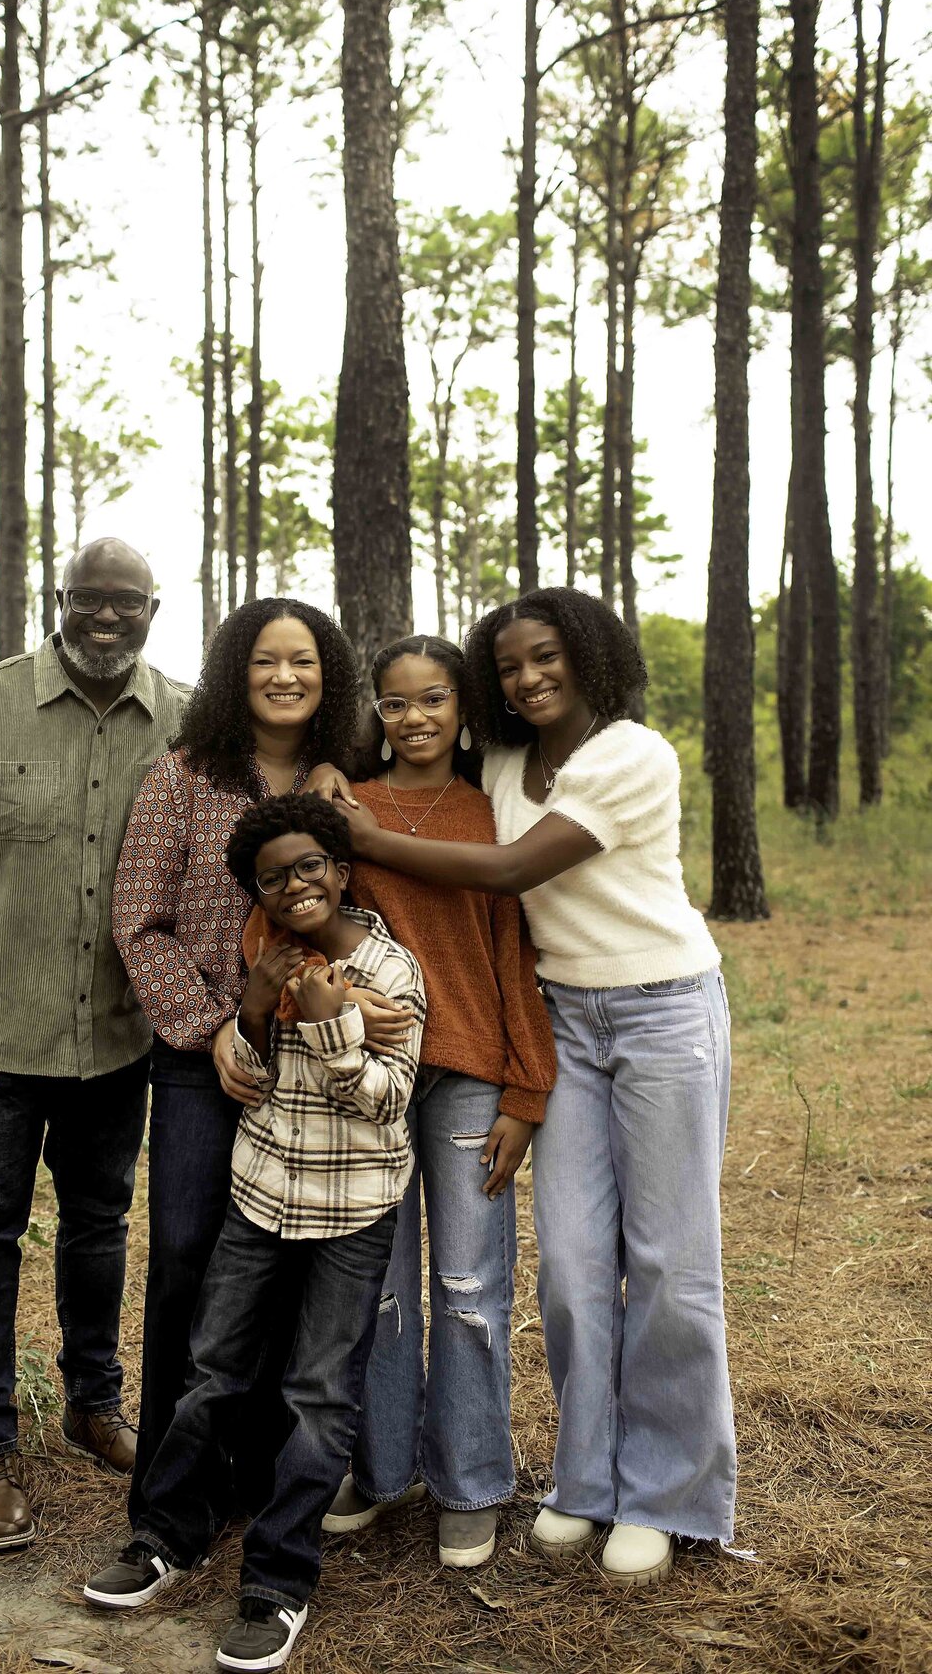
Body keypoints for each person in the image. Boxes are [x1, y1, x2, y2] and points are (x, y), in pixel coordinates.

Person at [319, 590, 735, 1587]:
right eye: (508, 666)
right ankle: (587, 1484)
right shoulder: (505, 763)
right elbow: (411, 750)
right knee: (574, 1270)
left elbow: (506, 870)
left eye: (545, 657)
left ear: (588, 656)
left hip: (662, 1008)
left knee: (670, 1262)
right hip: (567, 1021)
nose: (527, 678)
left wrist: (363, 835)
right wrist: (341, 767)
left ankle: (668, 1495)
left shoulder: (632, 754)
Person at [0, 538, 187, 1550]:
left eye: (126, 603)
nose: (106, 617)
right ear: (60, 600)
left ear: (154, 608)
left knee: (99, 1230)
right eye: (88, 600)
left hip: (119, 1036)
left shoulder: (184, 721)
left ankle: (95, 1404)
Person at [86, 794, 426, 1672]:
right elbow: (248, 1071)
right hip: (262, 1198)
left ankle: (277, 1582)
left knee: (318, 1394)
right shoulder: (268, 959)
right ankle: (167, 1533)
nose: (294, 885)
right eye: (272, 877)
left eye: (309, 867)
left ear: (340, 871)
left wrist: (333, 1026)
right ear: (257, 893)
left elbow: (390, 1104)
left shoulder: (391, 971)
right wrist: (255, 1012)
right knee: (212, 1372)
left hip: (352, 1214)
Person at [113, 598, 391, 1520]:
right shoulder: (184, 777)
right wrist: (214, 1028)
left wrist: (358, 1005)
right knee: (189, 1259)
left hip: (317, 1070)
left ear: (330, 678)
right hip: (206, 1062)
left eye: (304, 663)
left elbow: (363, 917)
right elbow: (138, 924)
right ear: (237, 672)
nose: (285, 677)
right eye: (266, 661)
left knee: (291, 1274)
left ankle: (269, 1483)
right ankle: (171, 1492)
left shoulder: (344, 784)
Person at [319, 636, 556, 1570]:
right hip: (371, 1083)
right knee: (378, 1294)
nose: (415, 718)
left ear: (462, 710)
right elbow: (292, 912)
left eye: (434, 700)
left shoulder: (490, 814)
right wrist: (331, 997)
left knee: (468, 1290)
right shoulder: (347, 810)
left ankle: (469, 1481)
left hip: (466, 1077)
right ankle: (381, 1470)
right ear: (376, 713)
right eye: (396, 703)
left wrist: (526, 1090)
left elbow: (515, 959)